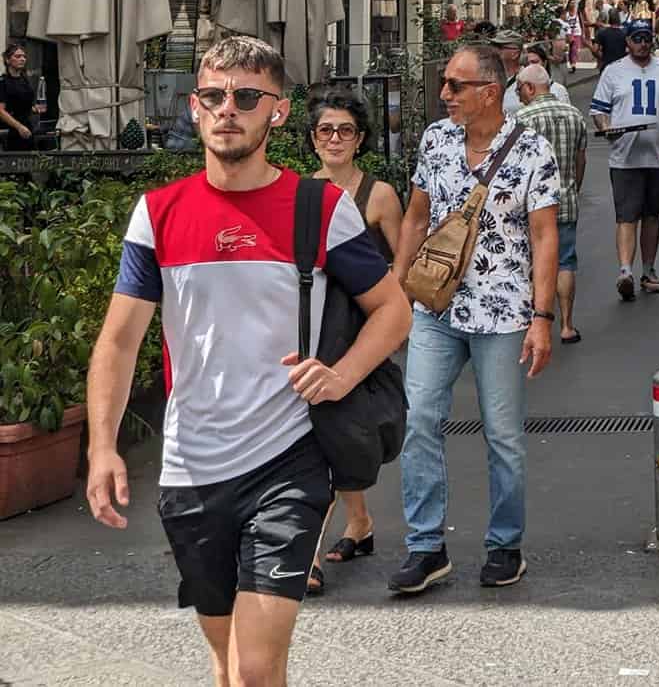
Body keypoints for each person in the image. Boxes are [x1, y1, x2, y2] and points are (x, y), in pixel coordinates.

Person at [86, 36, 410, 686]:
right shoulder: (157, 214)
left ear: (278, 111)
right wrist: (102, 445)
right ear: (195, 105)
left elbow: (393, 309)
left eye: (246, 96)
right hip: (191, 467)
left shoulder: (321, 208)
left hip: (288, 459)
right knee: (227, 663)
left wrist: (341, 374)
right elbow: (119, 341)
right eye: (213, 95)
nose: (227, 108)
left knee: (256, 666)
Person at [391, 43, 560, 596]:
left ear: (491, 91)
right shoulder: (435, 140)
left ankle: (505, 544)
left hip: (505, 311)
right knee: (419, 419)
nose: (444, 94)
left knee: (503, 435)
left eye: (455, 86)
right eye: (445, 83)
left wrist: (541, 317)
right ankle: (425, 546)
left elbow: (543, 237)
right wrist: (397, 291)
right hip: (436, 308)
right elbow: (416, 217)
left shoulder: (533, 150)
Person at [308, 87, 404, 593]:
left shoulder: (379, 194)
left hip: (364, 329)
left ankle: (355, 525)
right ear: (312, 139)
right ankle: (342, 534)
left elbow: (402, 259)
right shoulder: (303, 193)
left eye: (346, 130)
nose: (336, 139)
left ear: (361, 138)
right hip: (319, 330)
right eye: (326, 130)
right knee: (323, 434)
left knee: (341, 431)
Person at [589, 20, 659, 300]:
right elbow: (599, 110)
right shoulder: (613, 72)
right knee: (626, 215)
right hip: (624, 156)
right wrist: (607, 127)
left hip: (658, 154)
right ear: (627, 42)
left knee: (652, 215)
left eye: (646, 38)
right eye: (637, 38)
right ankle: (625, 271)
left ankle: (648, 269)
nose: (642, 43)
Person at [515, 64, 587, 347]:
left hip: (531, 206)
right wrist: (573, 188)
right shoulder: (574, 115)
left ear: (531, 88)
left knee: (532, 262)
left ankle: (532, 320)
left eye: (520, 88)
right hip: (566, 199)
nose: (519, 94)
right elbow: (581, 160)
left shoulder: (521, 119)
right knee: (566, 261)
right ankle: (567, 324)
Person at [502, 46, 567, 119]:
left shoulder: (559, 90)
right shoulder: (515, 88)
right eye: (527, 63)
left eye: (534, 62)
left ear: (544, 63)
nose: (530, 66)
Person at [0, 42, 38, 150]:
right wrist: (19, 127)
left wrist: (33, 108)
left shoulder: (24, 80)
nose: (22, 59)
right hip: (12, 131)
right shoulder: (3, 82)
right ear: (7, 60)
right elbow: (1, 111)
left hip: (29, 128)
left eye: (24, 56)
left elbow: (20, 103)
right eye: (17, 56)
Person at [561, 0, 583, 69]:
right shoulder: (566, 13)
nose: (573, 4)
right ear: (569, 4)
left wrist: (583, 33)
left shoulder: (578, 12)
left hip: (577, 32)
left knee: (574, 48)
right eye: (571, 3)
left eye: (574, 3)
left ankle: (573, 63)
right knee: (570, 49)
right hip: (569, 33)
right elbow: (563, 22)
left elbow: (582, 23)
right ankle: (571, 62)